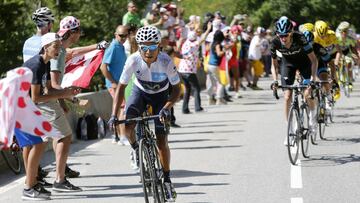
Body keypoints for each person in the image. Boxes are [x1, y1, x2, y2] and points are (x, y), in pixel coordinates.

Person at [108, 26, 180, 202]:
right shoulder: (133, 60)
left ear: (159, 47)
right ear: (139, 47)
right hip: (139, 93)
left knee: (161, 141)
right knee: (127, 126)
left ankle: (167, 180)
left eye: (152, 47)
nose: (148, 52)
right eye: (144, 47)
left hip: (160, 97)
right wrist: (113, 114)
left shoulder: (165, 61)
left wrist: (167, 107)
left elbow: (177, 89)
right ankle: (135, 150)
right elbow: (121, 87)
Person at [49, 15, 108, 191]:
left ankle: (59, 171)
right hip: (44, 97)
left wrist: (62, 101)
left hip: (45, 96)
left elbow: (74, 52)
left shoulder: (57, 44)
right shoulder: (58, 51)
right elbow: (54, 84)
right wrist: (74, 100)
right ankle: (58, 179)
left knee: (58, 135)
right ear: (72, 33)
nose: (80, 35)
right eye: (79, 31)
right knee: (64, 136)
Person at [22, 33, 80, 200]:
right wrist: (65, 94)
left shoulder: (44, 63)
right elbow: (36, 97)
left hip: (26, 106)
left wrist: (66, 92)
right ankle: (30, 186)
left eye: (59, 46)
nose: (59, 49)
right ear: (45, 47)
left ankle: (32, 184)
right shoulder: (36, 65)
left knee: (37, 144)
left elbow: (48, 90)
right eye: (55, 46)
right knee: (38, 144)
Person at [270, 16, 318, 143]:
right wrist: (275, 81)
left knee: (307, 94)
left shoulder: (300, 38)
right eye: (281, 36)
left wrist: (313, 78)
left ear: (291, 33)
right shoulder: (274, 42)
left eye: (286, 35)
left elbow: (313, 60)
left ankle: (313, 116)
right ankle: (289, 129)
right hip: (288, 65)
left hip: (305, 64)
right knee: (287, 96)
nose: (283, 38)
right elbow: (274, 64)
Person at [22, 6, 56, 186]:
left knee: (29, 142)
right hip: (35, 93)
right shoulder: (47, 42)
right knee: (37, 141)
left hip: (25, 89)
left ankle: (32, 178)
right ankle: (31, 181)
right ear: (49, 24)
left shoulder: (27, 42)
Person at [100, 25, 129, 145]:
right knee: (123, 108)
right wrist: (112, 82)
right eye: (121, 36)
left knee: (117, 109)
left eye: (125, 36)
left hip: (120, 84)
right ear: (115, 34)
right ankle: (123, 137)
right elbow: (103, 67)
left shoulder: (120, 46)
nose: (123, 38)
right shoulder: (113, 47)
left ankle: (116, 136)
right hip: (115, 85)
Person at [178, 22, 212, 114]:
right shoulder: (194, 45)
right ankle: (198, 108)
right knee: (197, 88)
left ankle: (185, 109)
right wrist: (208, 29)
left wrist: (192, 27)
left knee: (188, 89)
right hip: (189, 71)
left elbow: (191, 33)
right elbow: (203, 39)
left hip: (182, 70)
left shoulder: (186, 43)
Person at [207, 30, 227, 105]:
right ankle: (219, 98)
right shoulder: (218, 44)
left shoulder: (212, 43)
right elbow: (219, 54)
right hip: (215, 65)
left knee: (211, 83)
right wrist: (224, 51)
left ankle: (210, 99)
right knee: (221, 82)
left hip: (209, 65)